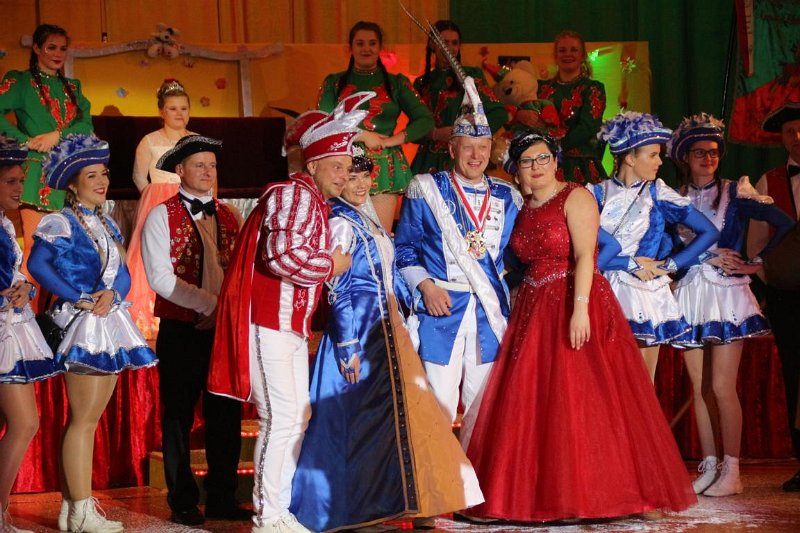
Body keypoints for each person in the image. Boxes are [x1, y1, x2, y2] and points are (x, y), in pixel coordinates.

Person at [465, 130, 696, 522]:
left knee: (585, 399)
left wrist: (580, 310)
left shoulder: (575, 197)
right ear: (516, 171)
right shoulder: (522, 208)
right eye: (527, 161)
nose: (536, 167)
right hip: (534, 309)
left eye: (543, 158)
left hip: (575, 299)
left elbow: (588, 255)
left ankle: (610, 495)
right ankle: (532, 496)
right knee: (539, 403)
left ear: (555, 161)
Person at [289, 150, 483, 532]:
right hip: (360, 335)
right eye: (351, 177)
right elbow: (339, 290)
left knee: (403, 421)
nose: (360, 184)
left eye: (365, 177)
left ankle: (409, 503)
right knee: (361, 425)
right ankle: (358, 510)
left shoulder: (366, 219)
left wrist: (408, 311)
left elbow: (387, 276)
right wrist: (347, 344)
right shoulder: (340, 222)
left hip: (388, 331)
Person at [208, 92, 372, 533]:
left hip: (288, 326)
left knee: (295, 416)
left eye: (347, 166)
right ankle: (269, 515)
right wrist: (332, 265)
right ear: (313, 165)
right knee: (281, 419)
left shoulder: (311, 200)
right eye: (336, 166)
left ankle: (277, 511)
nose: (344, 175)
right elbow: (281, 256)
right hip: (269, 323)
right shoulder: (294, 194)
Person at [27, 134, 157, 532]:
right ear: (73, 183)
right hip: (80, 324)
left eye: (104, 174)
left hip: (108, 320)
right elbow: (38, 265)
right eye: (92, 176)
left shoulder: (106, 222)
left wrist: (112, 295)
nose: (102, 182)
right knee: (83, 420)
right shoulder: (59, 221)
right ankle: (81, 510)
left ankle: (73, 509)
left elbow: (124, 272)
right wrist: (80, 297)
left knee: (89, 419)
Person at [667, 113, 794, 497]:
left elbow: (783, 221)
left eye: (714, 152)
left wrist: (756, 261)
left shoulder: (735, 192)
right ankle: (709, 465)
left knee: (722, 386)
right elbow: (668, 245)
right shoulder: (673, 197)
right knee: (699, 387)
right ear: (685, 157)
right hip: (690, 293)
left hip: (726, 295)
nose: (708, 158)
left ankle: (732, 469)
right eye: (700, 152)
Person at [394, 78, 522, 444]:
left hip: (489, 314)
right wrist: (426, 286)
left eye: (483, 147)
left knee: (483, 409)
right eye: (468, 147)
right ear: (452, 149)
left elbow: (517, 255)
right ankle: (438, 478)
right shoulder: (425, 189)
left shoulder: (508, 196)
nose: (476, 156)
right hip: (441, 310)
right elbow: (404, 250)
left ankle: (473, 478)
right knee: (437, 406)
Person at [140, 135, 247, 526]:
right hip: (182, 330)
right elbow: (160, 278)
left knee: (226, 415)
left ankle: (222, 497)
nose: (208, 172)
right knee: (178, 417)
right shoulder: (160, 216)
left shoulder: (230, 215)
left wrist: (224, 312)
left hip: (222, 331)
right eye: (200, 165)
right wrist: (209, 305)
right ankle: (182, 501)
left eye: (212, 165)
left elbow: (239, 272)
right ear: (180, 170)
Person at [589, 111, 718, 381]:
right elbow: (583, 248)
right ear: (630, 158)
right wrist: (627, 263)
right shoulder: (595, 194)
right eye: (653, 155)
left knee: (642, 385)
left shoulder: (658, 192)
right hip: (601, 288)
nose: (660, 161)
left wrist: (670, 265)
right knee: (604, 381)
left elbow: (709, 232)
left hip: (643, 292)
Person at [318, 20, 434, 230]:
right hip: (343, 164)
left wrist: (392, 140)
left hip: (384, 168)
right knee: (342, 233)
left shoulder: (396, 83)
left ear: (380, 47)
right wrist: (362, 136)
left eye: (372, 43)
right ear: (350, 48)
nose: (366, 49)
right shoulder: (333, 83)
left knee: (379, 235)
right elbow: (323, 123)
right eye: (360, 43)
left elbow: (425, 120)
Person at [0, 138, 60, 533]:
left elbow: (15, 275)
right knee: (24, 423)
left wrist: (27, 289)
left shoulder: (6, 224)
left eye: (21, 180)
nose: (19, 187)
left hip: (11, 326)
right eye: (10, 181)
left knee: (22, 423)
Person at [0, 24, 93, 274]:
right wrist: (24, 141)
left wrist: (57, 135)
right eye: (51, 47)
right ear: (37, 48)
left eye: (63, 49)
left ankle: (63, 298)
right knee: (36, 246)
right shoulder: (20, 82)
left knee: (69, 249)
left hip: (69, 173)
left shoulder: (73, 87)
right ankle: (29, 299)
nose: (58, 54)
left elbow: (86, 124)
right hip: (36, 174)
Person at [747, 101, 800, 492]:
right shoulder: (769, 181)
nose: (797, 137)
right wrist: (775, 281)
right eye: (789, 132)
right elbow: (756, 244)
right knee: (795, 375)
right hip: (788, 299)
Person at [126, 79, 195, 340]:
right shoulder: (150, 141)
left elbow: (208, 174)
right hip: (159, 202)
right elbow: (138, 176)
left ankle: (187, 306)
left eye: (183, 108)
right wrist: (153, 196)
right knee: (156, 253)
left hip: (189, 199)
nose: (179, 113)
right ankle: (150, 313)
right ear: (162, 112)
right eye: (173, 108)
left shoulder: (196, 140)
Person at [411, 19, 506, 175]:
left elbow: (499, 113)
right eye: (444, 42)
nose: (449, 48)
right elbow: (413, 131)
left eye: (454, 43)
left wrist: (469, 131)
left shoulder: (471, 77)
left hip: (462, 159)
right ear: (432, 44)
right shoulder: (421, 83)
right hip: (427, 163)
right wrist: (435, 133)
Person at [537, 30, 607, 184]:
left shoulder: (593, 88)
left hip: (581, 167)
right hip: (544, 165)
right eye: (562, 50)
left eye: (574, 50)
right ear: (555, 56)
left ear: (583, 56)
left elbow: (588, 126)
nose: (567, 54)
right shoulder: (542, 88)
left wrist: (554, 147)